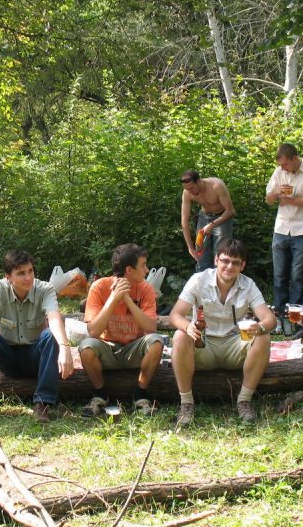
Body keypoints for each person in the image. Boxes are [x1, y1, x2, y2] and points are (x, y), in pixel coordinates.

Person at [169, 239, 276, 427]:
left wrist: (259, 327)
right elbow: (175, 315)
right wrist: (187, 326)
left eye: (235, 262)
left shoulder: (248, 284)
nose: (229, 266)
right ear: (216, 260)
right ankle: (186, 403)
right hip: (203, 346)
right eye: (225, 261)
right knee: (179, 336)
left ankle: (244, 401)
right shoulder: (198, 280)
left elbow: (270, 319)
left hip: (234, 346)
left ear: (242, 265)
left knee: (264, 337)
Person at [0, 250, 74, 424]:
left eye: (30, 271)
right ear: (8, 277)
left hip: (34, 356)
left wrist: (64, 347)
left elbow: (54, 317)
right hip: (7, 356)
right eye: (21, 273)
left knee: (51, 336)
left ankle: (43, 404)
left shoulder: (45, 289)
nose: (28, 277)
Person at [78, 244, 164, 416]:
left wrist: (128, 299)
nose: (147, 270)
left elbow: (151, 327)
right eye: (143, 265)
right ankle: (100, 395)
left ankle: (140, 396)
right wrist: (113, 298)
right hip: (107, 348)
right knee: (86, 347)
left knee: (156, 342)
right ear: (129, 270)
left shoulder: (146, 288)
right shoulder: (100, 286)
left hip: (134, 349)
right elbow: (93, 332)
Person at [265, 143, 303, 327]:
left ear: (294, 158)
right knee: (279, 273)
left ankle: (294, 312)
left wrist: (290, 199)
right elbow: (269, 199)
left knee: (297, 275)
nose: (282, 168)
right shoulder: (279, 172)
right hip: (281, 228)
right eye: (281, 165)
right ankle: (279, 311)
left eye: (285, 164)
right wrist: (276, 192)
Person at [180, 170, 236, 272]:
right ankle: (201, 284)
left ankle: (219, 283)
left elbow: (230, 211)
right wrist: (190, 247)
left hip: (223, 217)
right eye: (187, 189)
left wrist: (212, 225)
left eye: (191, 188)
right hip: (204, 218)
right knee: (201, 257)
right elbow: (184, 220)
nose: (190, 191)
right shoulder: (187, 193)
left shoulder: (216, 185)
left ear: (199, 181)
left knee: (221, 255)